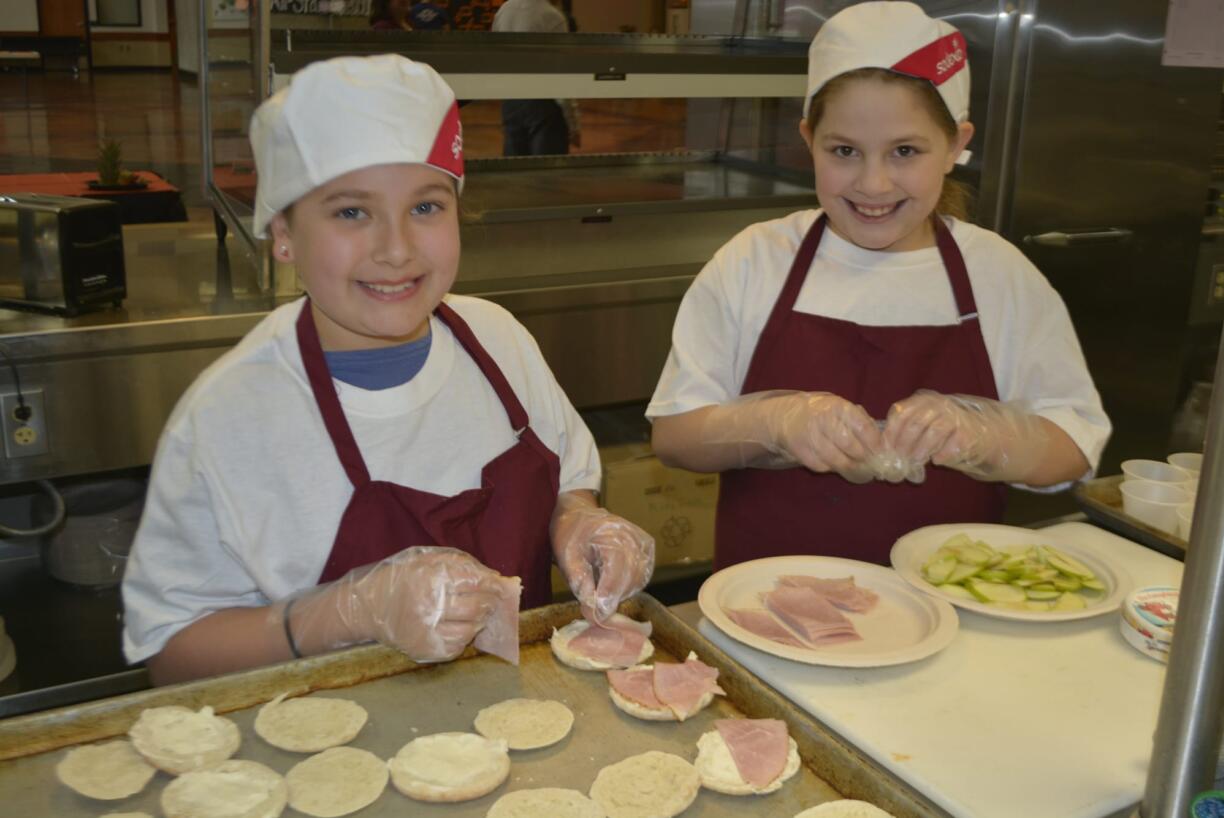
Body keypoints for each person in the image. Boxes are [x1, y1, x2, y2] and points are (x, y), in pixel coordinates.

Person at [122, 54, 653, 684]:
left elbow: (569, 481)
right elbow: (172, 657)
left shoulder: (498, 340)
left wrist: (578, 520)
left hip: (522, 721)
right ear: (283, 234)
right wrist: (344, 612)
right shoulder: (229, 416)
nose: (397, 249)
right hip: (328, 754)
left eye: (426, 207)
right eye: (351, 212)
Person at [647, 2, 1110, 569]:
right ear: (808, 139)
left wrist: (981, 435)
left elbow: (1071, 449)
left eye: (906, 152)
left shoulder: (998, 273)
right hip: (769, 612)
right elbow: (674, 438)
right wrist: (774, 422)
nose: (873, 183)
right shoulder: (755, 260)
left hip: (952, 610)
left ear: (955, 145)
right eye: (843, 151)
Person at [491, 0, 580, 154]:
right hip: (544, 105)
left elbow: (495, 57)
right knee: (544, 171)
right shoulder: (552, 16)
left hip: (511, 101)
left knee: (513, 170)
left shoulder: (504, 11)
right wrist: (572, 123)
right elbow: (560, 74)